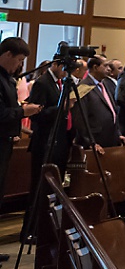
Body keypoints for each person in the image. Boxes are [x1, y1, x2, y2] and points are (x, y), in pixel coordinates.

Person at [0, 37, 39, 246]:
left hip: (5, 143)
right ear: (7, 55)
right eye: (19, 60)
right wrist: (23, 111)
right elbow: (2, 113)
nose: (20, 66)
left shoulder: (7, 77)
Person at [27, 58, 71, 187]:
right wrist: (60, 107)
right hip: (44, 139)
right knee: (40, 182)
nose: (66, 73)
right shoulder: (42, 83)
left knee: (56, 181)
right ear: (56, 65)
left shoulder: (59, 82)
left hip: (59, 139)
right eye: (64, 69)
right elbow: (36, 114)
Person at [73, 55, 125, 151]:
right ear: (95, 67)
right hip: (95, 141)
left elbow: (112, 110)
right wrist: (90, 142)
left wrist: (118, 134)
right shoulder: (82, 86)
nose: (109, 69)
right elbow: (79, 118)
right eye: (105, 66)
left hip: (110, 138)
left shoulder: (104, 84)